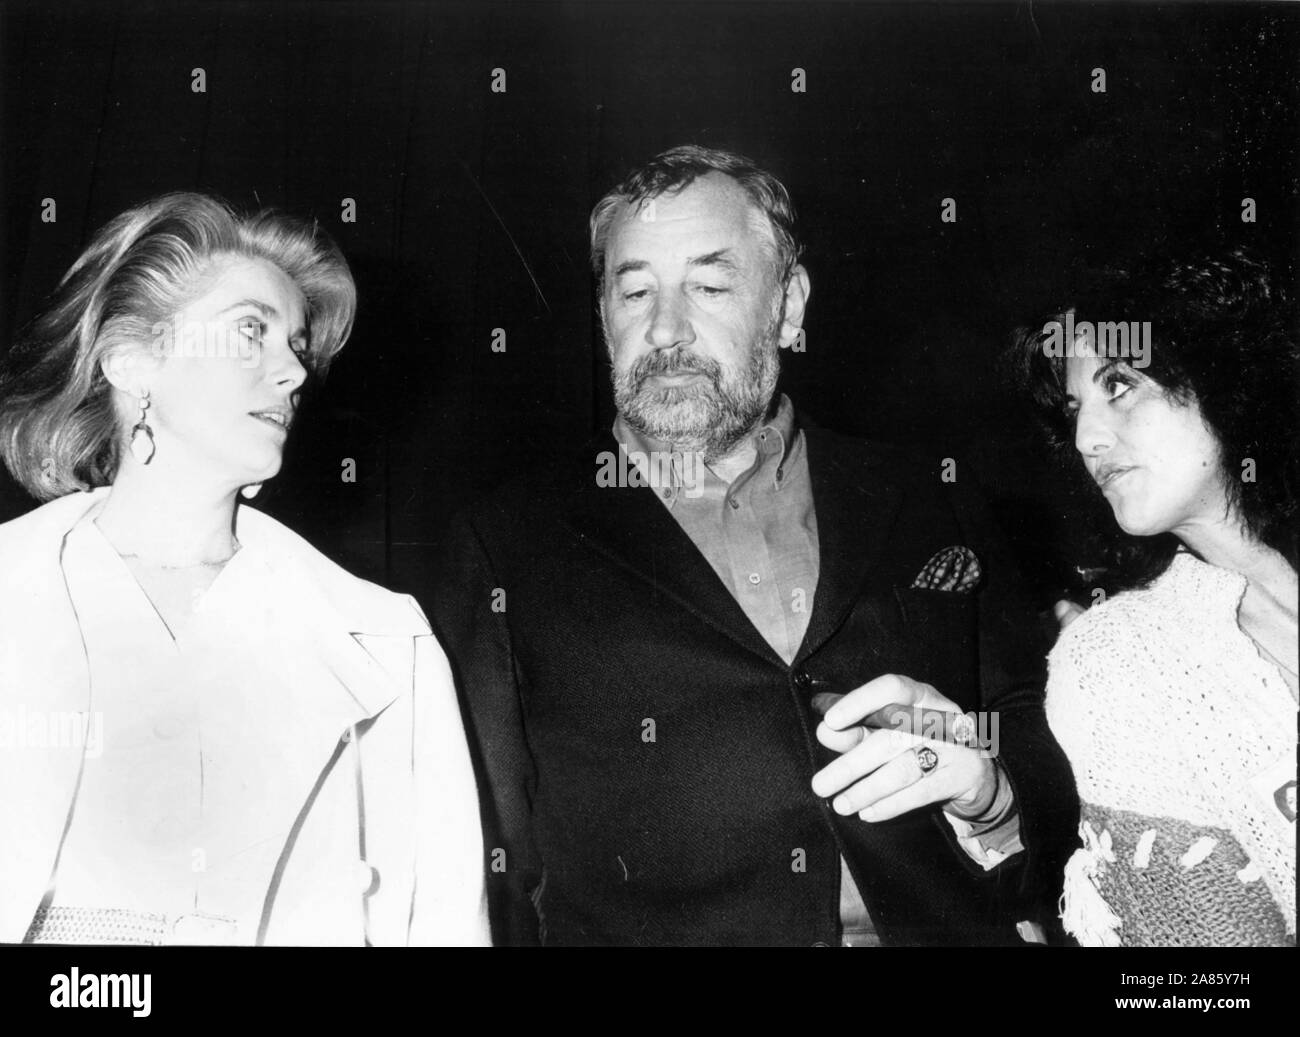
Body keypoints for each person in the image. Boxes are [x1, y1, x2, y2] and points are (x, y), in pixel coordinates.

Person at [432, 145, 1079, 946]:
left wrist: (992, 788)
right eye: (634, 290)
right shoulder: (503, 544)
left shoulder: (932, 494)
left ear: (788, 303)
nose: (665, 328)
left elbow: (1038, 726)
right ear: (603, 314)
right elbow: (488, 861)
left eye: (709, 285)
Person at [0, 193, 489, 946]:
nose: (293, 370)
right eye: (250, 332)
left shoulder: (388, 642)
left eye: (296, 345)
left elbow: (447, 929)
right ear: (131, 361)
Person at [1014, 247, 1298, 946]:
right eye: (1076, 409)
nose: (1086, 438)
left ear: (1224, 372)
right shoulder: (1122, 659)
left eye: (1120, 383)